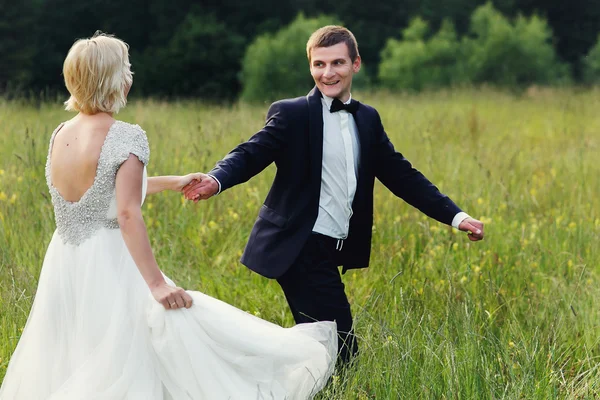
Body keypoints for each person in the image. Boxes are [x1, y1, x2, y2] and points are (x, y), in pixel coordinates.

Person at [0, 32, 337, 400]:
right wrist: (157, 283)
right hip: (112, 259)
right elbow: (126, 213)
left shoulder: (61, 133)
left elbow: (99, 194)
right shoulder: (126, 136)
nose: (130, 77)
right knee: (152, 334)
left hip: (67, 258)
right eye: (126, 70)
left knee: (82, 345)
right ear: (115, 79)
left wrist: (174, 182)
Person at [183, 25, 485, 364]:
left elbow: (403, 176)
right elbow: (251, 152)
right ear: (310, 66)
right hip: (299, 244)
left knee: (321, 348)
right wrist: (216, 179)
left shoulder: (368, 119)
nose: (328, 73)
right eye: (319, 64)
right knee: (342, 351)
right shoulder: (292, 113)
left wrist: (457, 217)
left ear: (356, 64)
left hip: (332, 247)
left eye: (337, 63)